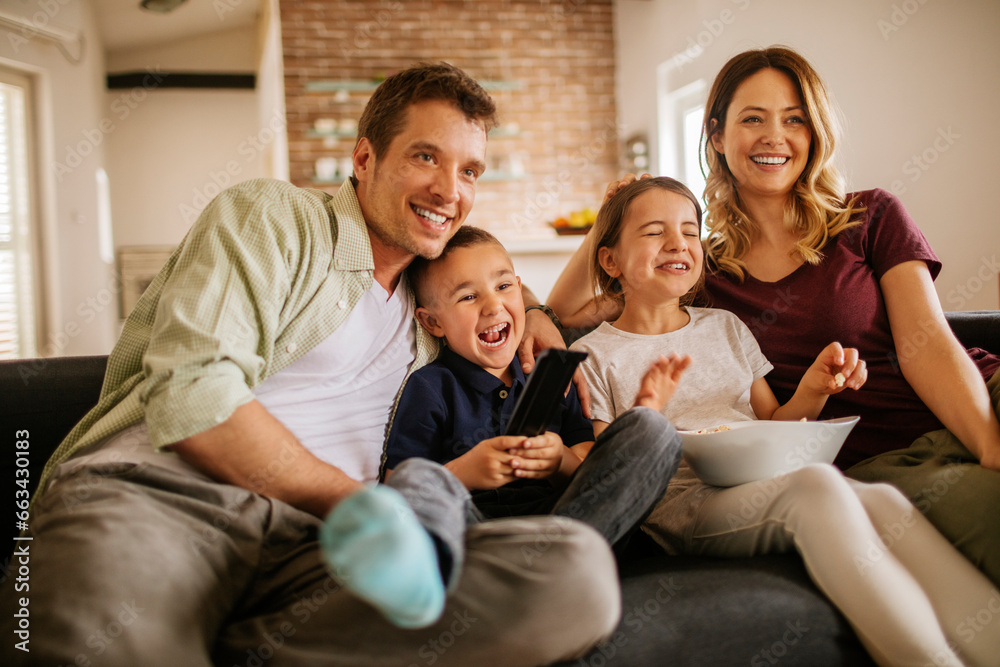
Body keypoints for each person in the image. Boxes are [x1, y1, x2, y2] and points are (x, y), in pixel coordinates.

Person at [0, 63, 622, 667]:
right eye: (425, 157)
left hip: (316, 550)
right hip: (174, 497)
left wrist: (537, 305)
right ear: (363, 160)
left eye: (470, 171)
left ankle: (223, 637)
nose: (449, 191)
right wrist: (357, 503)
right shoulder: (276, 218)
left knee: (573, 573)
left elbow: (518, 288)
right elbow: (192, 392)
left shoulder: (428, 311)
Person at [548, 45, 1000, 586]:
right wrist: (608, 219)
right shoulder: (700, 272)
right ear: (716, 136)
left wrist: (987, 441)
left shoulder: (871, 215)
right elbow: (568, 310)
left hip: (981, 397)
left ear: (814, 134)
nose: (774, 136)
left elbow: (926, 343)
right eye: (753, 119)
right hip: (880, 462)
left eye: (794, 120)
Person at [568, 175, 1000, 667]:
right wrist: (647, 414)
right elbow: (607, 469)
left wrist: (815, 387)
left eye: (690, 231)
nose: (677, 243)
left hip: (762, 480)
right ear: (610, 260)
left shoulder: (725, 326)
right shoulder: (592, 354)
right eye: (653, 232)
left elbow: (772, 419)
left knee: (880, 498)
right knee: (817, 488)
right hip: (687, 504)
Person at [383, 224, 682, 552]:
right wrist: (462, 473)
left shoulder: (550, 374)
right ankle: (544, 570)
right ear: (432, 322)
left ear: (519, 288)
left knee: (653, 430)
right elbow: (400, 489)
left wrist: (560, 461)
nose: (493, 305)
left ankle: (560, 561)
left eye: (503, 286)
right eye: (468, 296)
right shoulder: (431, 387)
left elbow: (587, 464)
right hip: (478, 534)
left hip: (563, 522)